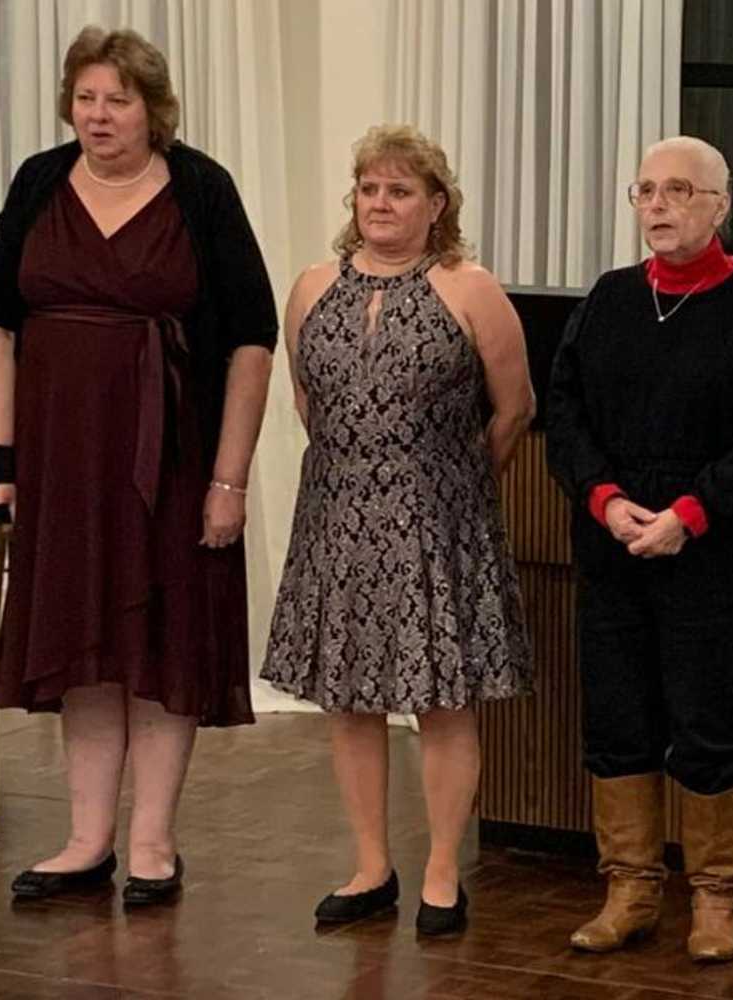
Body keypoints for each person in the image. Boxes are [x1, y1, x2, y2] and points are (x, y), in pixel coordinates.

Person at [0, 27, 274, 907]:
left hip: (172, 458)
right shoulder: (37, 181)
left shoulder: (201, 188)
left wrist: (229, 479)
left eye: (118, 100)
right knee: (84, 644)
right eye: (86, 98)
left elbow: (253, 340)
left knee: (159, 642)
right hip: (61, 457)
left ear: (154, 108)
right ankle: (85, 839)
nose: (98, 115)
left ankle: (152, 843)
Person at [261, 124, 534, 938]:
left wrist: (450, 480)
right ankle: (371, 865)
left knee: (444, 702)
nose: (381, 204)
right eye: (370, 189)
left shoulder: (470, 287)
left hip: (439, 518)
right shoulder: (312, 285)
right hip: (337, 518)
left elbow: (514, 407)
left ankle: (443, 870)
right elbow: (310, 404)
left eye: (400, 191)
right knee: (349, 701)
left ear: (436, 204)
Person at [545, 135, 733, 964]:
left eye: (679, 191)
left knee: (706, 720)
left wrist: (689, 512)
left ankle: (717, 896)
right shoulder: (610, 298)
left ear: (721, 207)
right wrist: (605, 498)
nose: (658, 205)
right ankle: (629, 890)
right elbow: (567, 412)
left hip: (714, 554)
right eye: (645, 190)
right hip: (614, 544)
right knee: (618, 716)